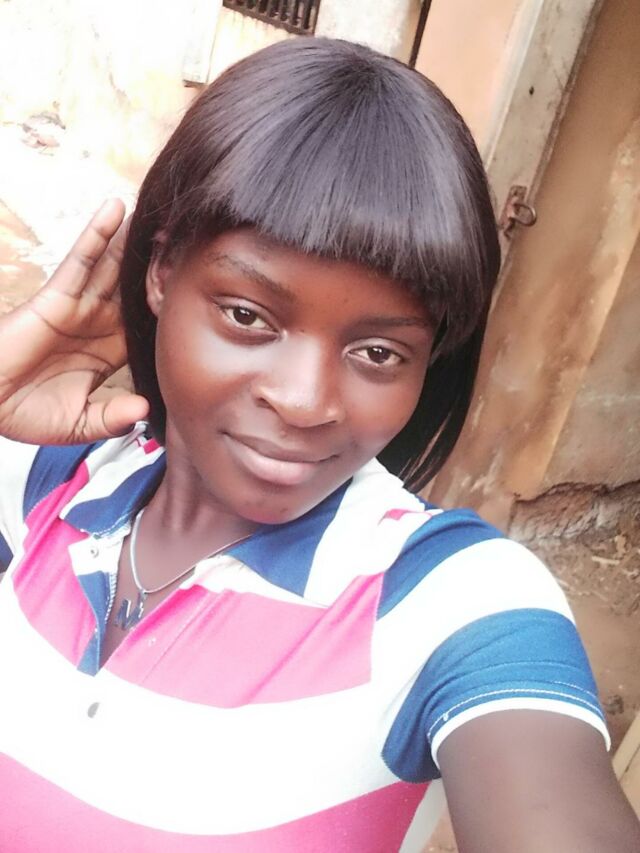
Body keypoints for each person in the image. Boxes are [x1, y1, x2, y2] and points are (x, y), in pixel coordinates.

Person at [0, 37, 637, 853]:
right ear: (161, 272)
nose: (304, 401)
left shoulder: (448, 599)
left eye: (379, 352)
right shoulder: (44, 483)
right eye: (247, 315)